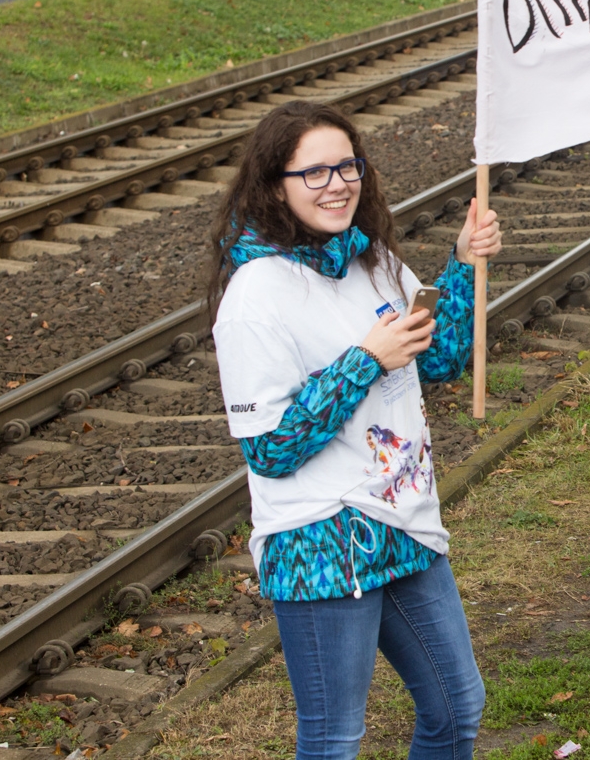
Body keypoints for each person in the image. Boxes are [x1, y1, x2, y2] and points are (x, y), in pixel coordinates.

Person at [210, 100, 501, 760]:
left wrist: (461, 262)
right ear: (274, 186)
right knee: (335, 738)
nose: (337, 183)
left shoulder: (374, 261)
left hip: (401, 522)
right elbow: (271, 447)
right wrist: (365, 361)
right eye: (313, 172)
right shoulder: (256, 294)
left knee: (458, 708)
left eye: (347, 166)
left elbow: (446, 358)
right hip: (319, 540)